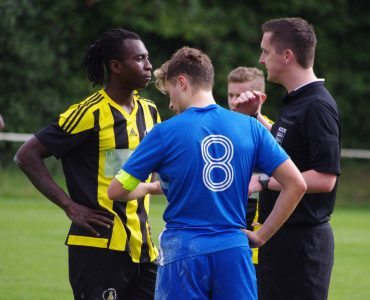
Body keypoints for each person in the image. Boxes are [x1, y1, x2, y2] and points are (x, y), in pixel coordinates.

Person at [108, 46, 307, 300]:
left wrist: (148, 187)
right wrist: (261, 235)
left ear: (182, 82)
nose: (170, 103)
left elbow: (116, 189)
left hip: (184, 253)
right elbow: (297, 184)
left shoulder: (163, 132)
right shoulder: (251, 127)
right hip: (234, 251)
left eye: (170, 93)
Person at [14, 28, 161, 299]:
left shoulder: (150, 111)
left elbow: (156, 166)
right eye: (139, 59)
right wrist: (70, 206)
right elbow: (26, 155)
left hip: (143, 248)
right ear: (116, 67)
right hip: (97, 247)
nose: (149, 66)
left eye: (147, 58)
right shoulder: (89, 113)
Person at [245, 17, 341, 300]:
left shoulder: (317, 106)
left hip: (302, 246)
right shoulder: (296, 101)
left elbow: (325, 178)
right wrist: (256, 118)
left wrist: (263, 181)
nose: (261, 60)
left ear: (287, 56)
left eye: (265, 51)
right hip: (280, 239)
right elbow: (286, 147)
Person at [227, 66, 273, 272]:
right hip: (223, 237)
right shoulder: (218, 132)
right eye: (231, 95)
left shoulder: (272, 132)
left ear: (260, 98)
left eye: (241, 95)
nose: (235, 101)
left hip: (259, 241)